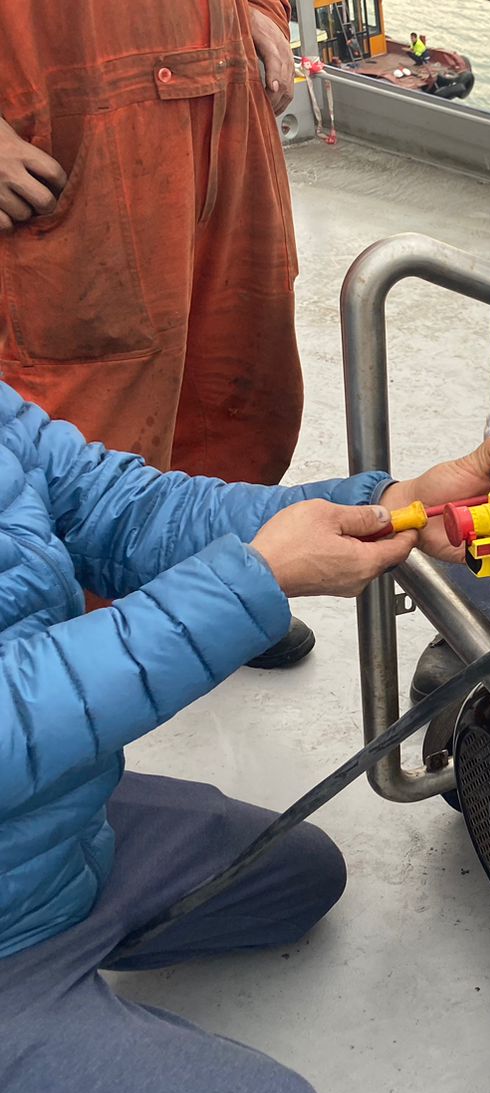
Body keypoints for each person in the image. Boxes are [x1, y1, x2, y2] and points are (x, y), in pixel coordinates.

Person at [0, 379, 490, 1093]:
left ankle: (65, 946)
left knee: (296, 877)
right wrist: (254, 583)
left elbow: (123, 508)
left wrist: (392, 503)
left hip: (38, 840)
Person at [0, 0, 316, 670]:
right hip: (60, 135)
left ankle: (219, 595)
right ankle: (57, 675)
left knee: (240, 382)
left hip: (226, 119)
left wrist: (259, 11)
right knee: (74, 422)